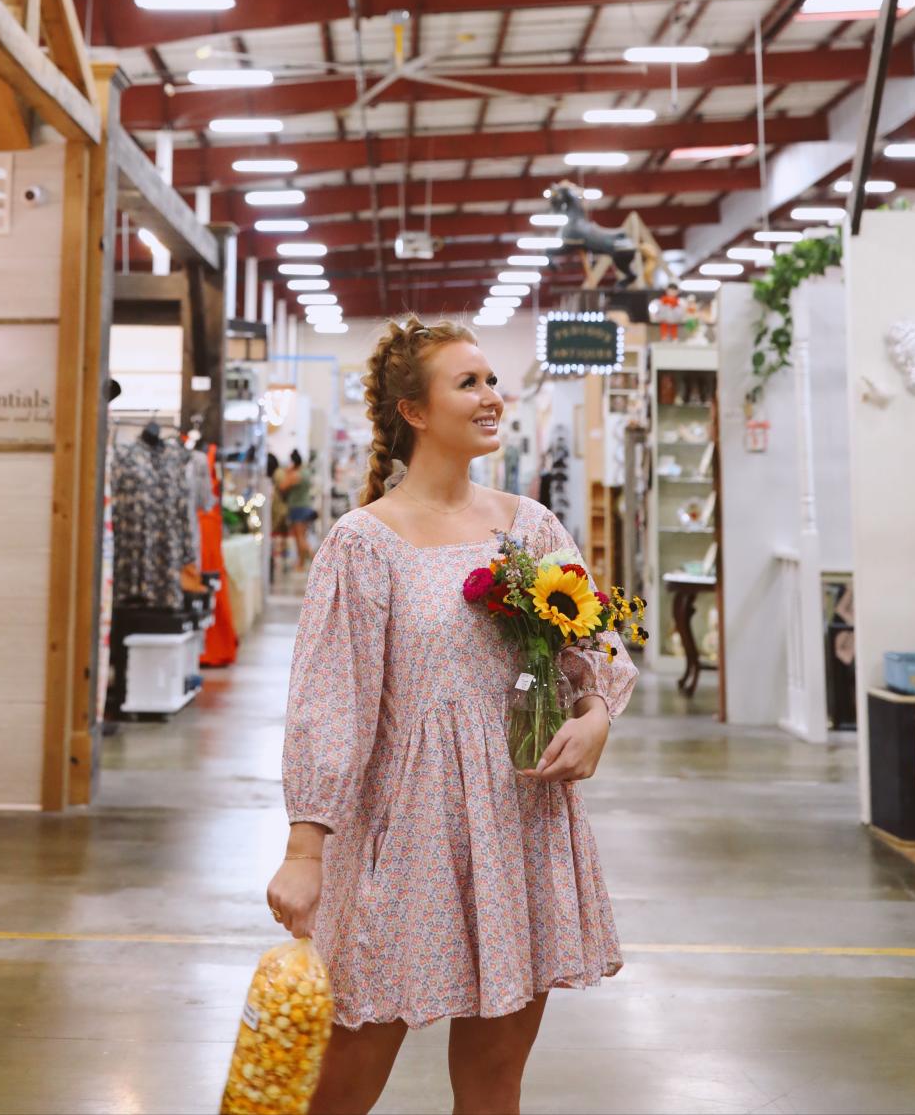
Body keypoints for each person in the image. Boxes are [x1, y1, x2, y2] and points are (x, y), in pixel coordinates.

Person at [266, 316, 637, 1115]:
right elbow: (332, 702)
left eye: (492, 379)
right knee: (346, 1077)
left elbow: (594, 645)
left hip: (522, 822)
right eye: (468, 383)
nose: (491, 396)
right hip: (408, 834)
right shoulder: (364, 543)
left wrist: (598, 714)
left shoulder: (529, 526)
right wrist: (306, 850)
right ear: (414, 411)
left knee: (496, 1079)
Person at [279, 446, 318, 570]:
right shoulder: (306, 472)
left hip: (297, 507)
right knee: (302, 536)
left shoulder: (294, 475)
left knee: (299, 537)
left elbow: (283, 486)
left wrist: (287, 473)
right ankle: (301, 563)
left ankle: (315, 561)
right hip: (306, 505)